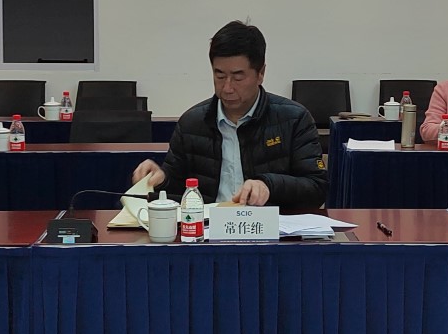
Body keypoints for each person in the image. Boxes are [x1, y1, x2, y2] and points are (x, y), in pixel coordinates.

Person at [131, 20, 327, 208]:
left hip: (270, 226)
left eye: (238, 77)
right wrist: (160, 179)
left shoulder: (293, 119)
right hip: (207, 227)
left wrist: (269, 185)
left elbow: (317, 188)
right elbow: (177, 190)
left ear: (261, 73)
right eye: (219, 76)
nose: (227, 88)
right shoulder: (191, 123)